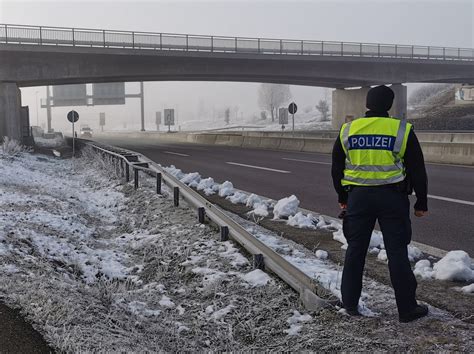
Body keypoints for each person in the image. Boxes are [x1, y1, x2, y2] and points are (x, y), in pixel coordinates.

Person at [331, 85, 429, 323]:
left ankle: (350, 304)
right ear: (390, 105)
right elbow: (417, 169)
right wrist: (421, 202)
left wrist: (343, 197)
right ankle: (407, 310)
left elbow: (336, 168)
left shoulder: (348, 130)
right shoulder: (401, 130)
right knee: (397, 253)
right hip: (392, 198)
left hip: (358, 198)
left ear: (367, 103)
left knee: (355, 251)